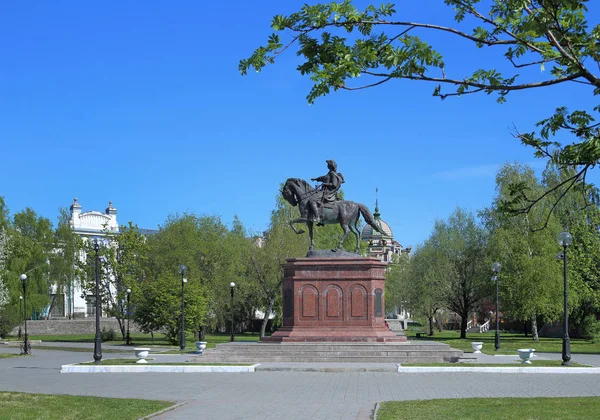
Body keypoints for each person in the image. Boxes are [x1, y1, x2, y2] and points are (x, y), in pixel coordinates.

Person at [309, 159, 345, 225]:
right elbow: (323, 178)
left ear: (331, 166)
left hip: (328, 192)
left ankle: (317, 217)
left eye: (328, 164)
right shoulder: (329, 173)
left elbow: (334, 185)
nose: (327, 166)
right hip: (324, 191)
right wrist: (316, 179)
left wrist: (325, 184)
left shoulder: (333, 174)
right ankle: (320, 217)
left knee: (312, 200)